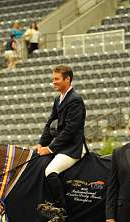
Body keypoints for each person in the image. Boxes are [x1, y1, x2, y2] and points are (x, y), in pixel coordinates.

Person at [33, 65, 87, 214]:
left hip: (73, 147)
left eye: (57, 79)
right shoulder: (58, 99)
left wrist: (50, 148)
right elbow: (50, 123)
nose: (54, 82)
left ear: (67, 79)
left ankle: (61, 208)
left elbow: (70, 130)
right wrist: (41, 143)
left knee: (51, 170)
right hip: (62, 146)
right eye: (53, 79)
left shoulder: (75, 100)